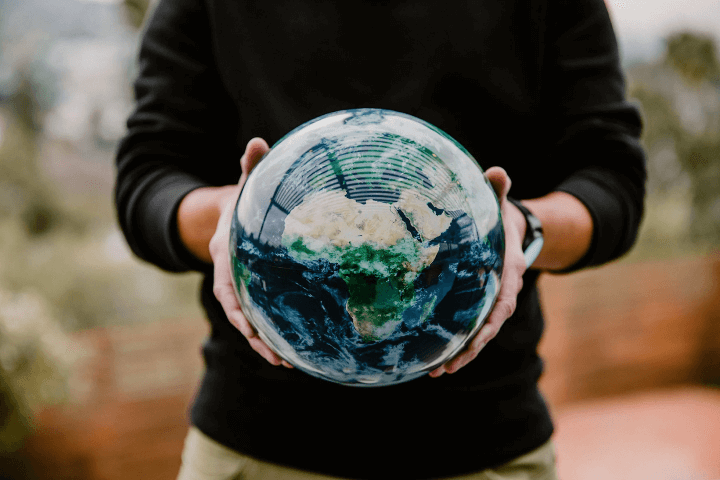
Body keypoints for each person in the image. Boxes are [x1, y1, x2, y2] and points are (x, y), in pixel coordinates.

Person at [114, 0, 646, 478]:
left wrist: (520, 227)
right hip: (257, 450)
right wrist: (235, 220)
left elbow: (611, 181)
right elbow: (149, 179)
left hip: (482, 448)